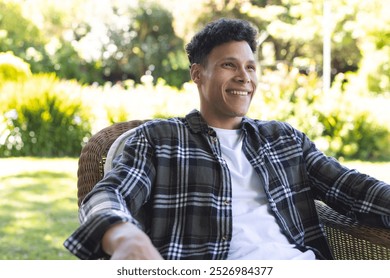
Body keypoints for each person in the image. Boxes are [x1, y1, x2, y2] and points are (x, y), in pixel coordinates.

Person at [64, 18, 390, 260]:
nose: (244, 77)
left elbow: (353, 188)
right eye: (229, 65)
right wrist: (121, 234)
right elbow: (108, 194)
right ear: (197, 74)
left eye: (250, 67)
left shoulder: (285, 140)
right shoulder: (158, 140)